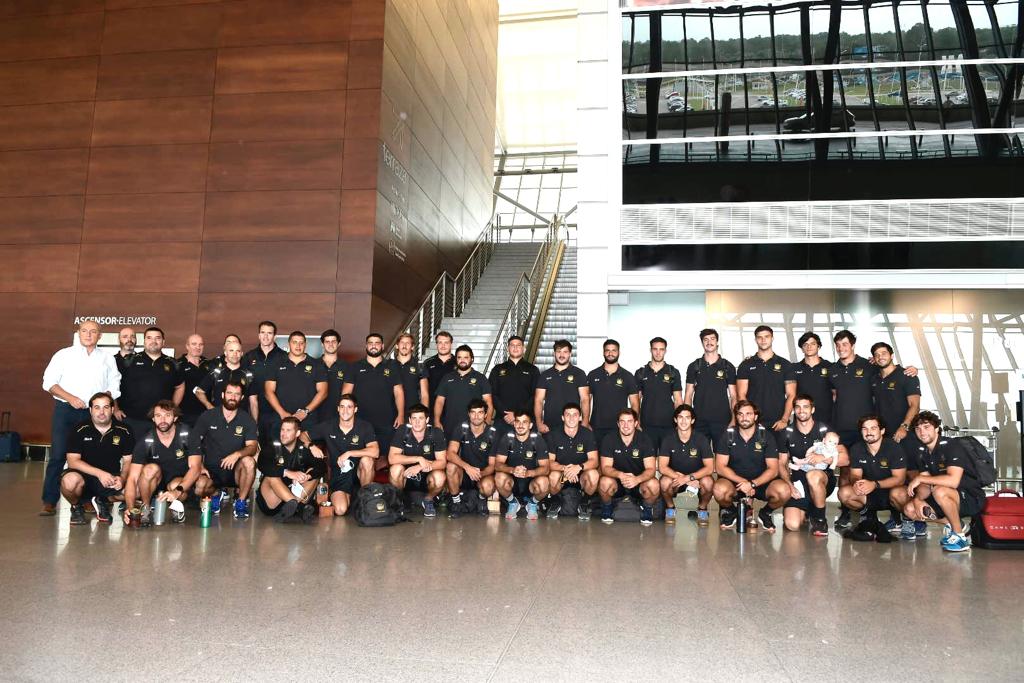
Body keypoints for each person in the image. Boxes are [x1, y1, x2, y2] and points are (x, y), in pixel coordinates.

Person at [40, 320, 123, 516]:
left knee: (89, 458)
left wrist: (104, 397)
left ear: (99, 336)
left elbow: (114, 384)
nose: (88, 334)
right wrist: (70, 398)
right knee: (58, 455)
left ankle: (87, 500)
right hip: (66, 410)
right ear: (78, 333)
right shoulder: (63, 355)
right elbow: (49, 383)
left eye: (93, 331)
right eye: (84, 331)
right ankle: (49, 501)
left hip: (92, 413)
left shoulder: (107, 358)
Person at [903, 411, 985, 552]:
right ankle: (955, 523)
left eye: (926, 427)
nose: (922, 432)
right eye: (918, 428)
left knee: (940, 490)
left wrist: (920, 478)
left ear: (936, 429)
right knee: (910, 510)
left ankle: (960, 538)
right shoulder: (922, 452)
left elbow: (953, 481)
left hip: (970, 496)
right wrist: (917, 499)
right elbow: (925, 484)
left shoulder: (952, 445)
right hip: (944, 496)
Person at [712, 400, 791, 533]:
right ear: (736, 417)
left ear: (755, 416)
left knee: (784, 491)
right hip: (735, 483)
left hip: (761, 483)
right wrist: (743, 482)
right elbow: (720, 467)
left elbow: (773, 469)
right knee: (719, 490)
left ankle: (765, 513)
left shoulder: (766, 436)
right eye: (740, 414)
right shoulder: (728, 435)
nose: (744, 418)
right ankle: (732, 511)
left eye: (748, 414)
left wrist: (752, 484)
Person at [59, 392, 134, 525]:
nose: (101, 412)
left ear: (112, 409)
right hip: (83, 477)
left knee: (136, 490)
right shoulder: (79, 429)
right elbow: (72, 461)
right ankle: (76, 506)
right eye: (97, 407)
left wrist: (122, 478)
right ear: (90, 410)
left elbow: (128, 461)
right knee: (69, 481)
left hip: (110, 479)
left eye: (106, 407)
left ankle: (102, 501)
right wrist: (100, 474)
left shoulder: (124, 430)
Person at [123, 400, 200, 525]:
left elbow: (195, 468)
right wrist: (130, 508)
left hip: (180, 482)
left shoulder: (187, 434)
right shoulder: (146, 441)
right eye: (158, 416)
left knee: (175, 485)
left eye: (167, 415)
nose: (162, 420)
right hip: (156, 482)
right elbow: (132, 478)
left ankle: (177, 507)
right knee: (149, 469)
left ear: (175, 417)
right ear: (153, 419)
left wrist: (177, 491)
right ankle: (145, 508)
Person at [190, 381, 259, 520]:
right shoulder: (208, 416)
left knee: (249, 462)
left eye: (237, 394)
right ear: (222, 395)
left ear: (242, 397)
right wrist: (199, 465)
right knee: (199, 487)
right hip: (211, 470)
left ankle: (240, 502)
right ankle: (216, 494)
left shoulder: (247, 420)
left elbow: (252, 447)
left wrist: (237, 454)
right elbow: (194, 441)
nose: (232, 397)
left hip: (235, 471)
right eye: (229, 393)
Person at [302, 394, 379, 516]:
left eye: (349, 407)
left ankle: (365, 500)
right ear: (338, 409)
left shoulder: (365, 426)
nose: (345, 410)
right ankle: (350, 499)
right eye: (342, 407)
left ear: (355, 409)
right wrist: (311, 446)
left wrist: (349, 453)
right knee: (340, 510)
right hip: (340, 474)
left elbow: (375, 451)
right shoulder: (328, 426)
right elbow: (303, 435)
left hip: (359, 473)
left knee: (367, 460)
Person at [778, 395, 842, 536]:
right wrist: (789, 485)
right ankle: (809, 509)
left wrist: (823, 458)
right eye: (798, 407)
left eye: (806, 407)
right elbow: (782, 463)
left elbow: (845, 457)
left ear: (812, 410)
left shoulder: (825, 429)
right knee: (792, 525)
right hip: (798, 483)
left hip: (822, 478)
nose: (801, 411)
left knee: (813, 475)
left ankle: (820, 519)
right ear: (794, 410)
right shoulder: (786, 433)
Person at [837, 415, 910, 538]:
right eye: (864, 429)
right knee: (844, 493)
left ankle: (907, 521)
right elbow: (855, 475)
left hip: (891, 491)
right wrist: (857, 483)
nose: (868, 432)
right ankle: (866, 514)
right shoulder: (856, 448)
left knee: (900, 494)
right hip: (869, 492)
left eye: (873, 428)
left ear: (882, 431)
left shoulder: (894, 448)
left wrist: (875, 484)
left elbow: (900, 479)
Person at [114, 326, 184, 439]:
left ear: (163, 342)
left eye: (157, 338)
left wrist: (172, 407)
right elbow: (114, 384)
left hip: (161, 421)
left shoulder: (172, 363)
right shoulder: (129, 361)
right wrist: (116, 408)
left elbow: (180, 386)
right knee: (132, 450)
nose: (153, 341)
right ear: (144, 341)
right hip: (132, 419)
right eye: (149, 338)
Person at [264, 331, 328, 447]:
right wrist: (282, 413)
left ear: (305, 344)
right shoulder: (276, 363)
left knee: (306, 453)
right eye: (294, 342)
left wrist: (305, 411)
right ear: (289, 344)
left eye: (301, 343)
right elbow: (268, 391)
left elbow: (323, 392)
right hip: (281, 419)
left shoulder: (317, 365)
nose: (298, 346)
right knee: (279, 454)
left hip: (308, 420)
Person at [597, 408, 659, 526]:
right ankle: (607, 507)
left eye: (629, 421)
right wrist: (620, 475)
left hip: (638, 482)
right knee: (604, 482)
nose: (626, 425)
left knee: (654, 485)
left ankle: (646, 509)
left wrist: (637, 479)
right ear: (618, 424)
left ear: (636, 423)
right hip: (617, 482)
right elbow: (605, 467)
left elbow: (651, 469)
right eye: (622, 421)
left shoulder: (645, 439)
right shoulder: (609, 439)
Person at [735, 325, 795, 448]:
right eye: (759, 337)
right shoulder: (746, 365)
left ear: (772, 338)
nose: (763, 340)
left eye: (766, 337)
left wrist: (784, 420)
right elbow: (741, 395)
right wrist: (750, 419)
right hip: (754, 424)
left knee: (780, 457)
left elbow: (791, 394)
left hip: (778, 423)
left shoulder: (785, 365)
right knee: (755, 457)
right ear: (755, 340)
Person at [256, 417, 325, 523]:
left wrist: (307, 476)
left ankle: (294, 506)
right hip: (272, 502)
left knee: (314, 474)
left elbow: (321, 466)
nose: (284, 434)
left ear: (297, 433)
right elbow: (262, 464)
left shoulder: (303, 449)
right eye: (282, 430)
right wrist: (287, 473)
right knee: (271, 476)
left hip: (292, 497)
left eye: (288, 430)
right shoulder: (272, 446)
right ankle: (298, 508)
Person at [658, 404, 714, 526]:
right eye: (680, 417)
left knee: (708, 482)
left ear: (692, 420)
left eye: (687, 418)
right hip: (675, 479)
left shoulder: (701, 439)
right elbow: (662, 467)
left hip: (696, 479)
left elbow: (710, 468)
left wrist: (689, 478)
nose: (683, 421)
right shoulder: (668, 439)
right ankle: (670, 509)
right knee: (664, 482)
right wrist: (682, 479)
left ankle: (702, 509)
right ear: (675, 419)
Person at [388, 404, 448, 517]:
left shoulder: (436, 432)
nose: (417, 422)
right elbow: (392, 458)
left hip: (427, 475)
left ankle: (428, 500)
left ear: (427, 420)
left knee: (440, 477)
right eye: (414, 418)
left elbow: (442, 462)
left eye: (421, 418)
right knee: (395, 469)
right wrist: (418, 459)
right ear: (410, 420)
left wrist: (420, 466)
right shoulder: (403, 430)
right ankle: (400, 501)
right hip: (406, 475)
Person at [444, 399, 498, 518]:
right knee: (451, 467)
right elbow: (450, 454)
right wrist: (467, 468)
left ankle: (481, 500)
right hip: (464, 472)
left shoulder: (493, 433)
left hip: (482, 474)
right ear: (468, 414)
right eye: (473, 412)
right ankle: (456, 503)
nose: (476, 416)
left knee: (488, 486)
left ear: (485, 415)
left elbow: (492, 465)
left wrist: (479, 474)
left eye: (480, 412)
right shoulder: (461, 428)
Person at [545, 402, 599, 520]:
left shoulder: (587, 434)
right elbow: (549, 462)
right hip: (563, 476)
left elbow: (594, 461)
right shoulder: (553, 434)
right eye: (568, 415)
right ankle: (555, 501)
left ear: (580, 417)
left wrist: (578, 467)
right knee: (553, 476)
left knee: (594, 474)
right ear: (562, 417)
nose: (571, 418)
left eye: (575, 415)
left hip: (580, 476)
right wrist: (565, 469)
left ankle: (584, 503)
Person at [684, 328, 736, 450]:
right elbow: (688, 395)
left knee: (723, 456)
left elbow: (734, 396)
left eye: (712, 339)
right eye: (706, 339)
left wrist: (734, 419)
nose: (709, 342)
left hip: (722, 421)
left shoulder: (728, 367)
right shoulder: (694, 366)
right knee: (699, 456)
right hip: (699, 421)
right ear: (702, 343)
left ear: (717, 342)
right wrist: (687, 419)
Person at [495, 411, 550, 521]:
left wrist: (528, 473)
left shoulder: (537, 439)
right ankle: (512, 503)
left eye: (524, 422)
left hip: (531, 483)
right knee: (499, 477)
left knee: (544, 482)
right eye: (518, 422)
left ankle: (532, 504)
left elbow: (546, 468)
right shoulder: (507, 438)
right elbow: (497, 465)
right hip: (512, 482)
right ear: (514, 423)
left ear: (530, 425)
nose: (520, 425)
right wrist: (512, 470)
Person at [243, 320, 287, 451]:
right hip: (255, 412)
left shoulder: (284, 357)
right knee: (258, 451)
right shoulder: (249, 357)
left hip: (278, 413)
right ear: (258, 335)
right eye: (263, 332)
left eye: (269, 333)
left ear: (275, 336)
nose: (266, 336)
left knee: (278, 451)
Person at [586, 339, 640, 446]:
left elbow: (634, 403)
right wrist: (585, 421)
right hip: (596, 426)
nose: (610, 353)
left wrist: (634, 423)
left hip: (620, 427)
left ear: (619, 352)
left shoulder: (628, 376)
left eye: (614, 350)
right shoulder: (593, 375)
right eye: (607, 350)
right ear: (603, 352)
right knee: (597, 456)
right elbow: (586, 400)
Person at [434, 344, 493, 438]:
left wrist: (487, 422)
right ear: (456, 359)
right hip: (449, 426)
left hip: (473, 428)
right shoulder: (447, 378)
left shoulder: (481, 378)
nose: (462, 360)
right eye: (459, 357)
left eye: (466, 357)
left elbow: (488, 401)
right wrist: (437, 421)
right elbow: (439, 401)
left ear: (472, 359)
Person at [634, 336, 683, 449]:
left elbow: (678, 400)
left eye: (661, 349)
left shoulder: (673, 372)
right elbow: (636, 400)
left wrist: (679, 422)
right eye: (655, 349)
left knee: (667, 457)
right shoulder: (641, 372)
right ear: (650, 350)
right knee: (648, 457)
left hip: (668, 425)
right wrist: (636, 421)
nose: (658, 352)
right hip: (647, 425)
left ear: (665, 351)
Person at [870, 341, 921, 448]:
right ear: (874, 358)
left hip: (903, 433)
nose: (880, 357)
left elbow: (915, 406)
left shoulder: (907, 375)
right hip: (882, 435)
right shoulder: (874, 378)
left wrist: (904, 426)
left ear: (892, 355)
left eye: (884, 353)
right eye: (877, 355)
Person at [534, 339, 589, 435]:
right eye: (559, 351)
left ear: (570, 354)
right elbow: (538, 400)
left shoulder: (579, 373)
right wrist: (539, 423)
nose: (561, 355)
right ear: (554, 353)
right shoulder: (545, 375)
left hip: (573, 426)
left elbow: (585, 399)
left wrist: (585, 422)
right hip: (549, 427)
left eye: (565, 352)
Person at [488, 335, 539, 436]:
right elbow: (492, 394)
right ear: (508, 348)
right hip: (502, 420)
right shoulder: (497, 369)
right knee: (499, 446)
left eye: (518, 345)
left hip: (526, 420)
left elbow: (535, 395)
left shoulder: (533, 370)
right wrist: (505, 413)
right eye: (512, 345)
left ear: (523, 348)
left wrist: (516, 414)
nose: (515, 348)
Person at [194, 340, 258, 414]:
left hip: (241, 419)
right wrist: (209, 406)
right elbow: (199, 391)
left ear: (241, 354)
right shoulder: (216, 372)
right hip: (218, 417)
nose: (235, 354)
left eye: (238, 351)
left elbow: (253, 402)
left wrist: (253, 421)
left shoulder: (248, 375)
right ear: (225, 353)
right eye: (231, 350)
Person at [792, 332, 834, 425]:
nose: (809, 347)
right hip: (802, 419)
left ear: (818, 347)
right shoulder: (794, 368)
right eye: (805, 344)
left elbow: (836, 394)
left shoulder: (831, 367)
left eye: (813, 344)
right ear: (802, 348)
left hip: (827, 419)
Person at [316, 329, 350, 425]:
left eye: (333, 341)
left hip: (338, 416)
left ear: (339, 344)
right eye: (327, 341)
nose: (330, 344)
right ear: (322, 344)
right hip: (315, 415)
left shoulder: (347, 367)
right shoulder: (314, 364)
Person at [176, 334, 208, 427]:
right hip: (184, 415)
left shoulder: (208, 364)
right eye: (194, 344)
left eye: (200, 344)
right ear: (187, 346)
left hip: (205, 414)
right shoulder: (178, 365)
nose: (198, 347)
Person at [393, 332, 428, 414]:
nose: (404, 345)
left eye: (407, 343)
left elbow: (424, 394)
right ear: (397, 346)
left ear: (412, 347)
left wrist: (424, 414)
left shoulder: (420, 366)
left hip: (412, 413)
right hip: (391, 412)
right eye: (402, 342)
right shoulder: (388, 365)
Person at [421, 331, 455, 408]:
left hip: (453, 408)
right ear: (436, 344)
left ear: (451, 344)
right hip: (432, 407)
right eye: (440, 342)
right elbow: (424, 391)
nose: (443, 345)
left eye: (446, 342)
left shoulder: (458, 363)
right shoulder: (428, 363)